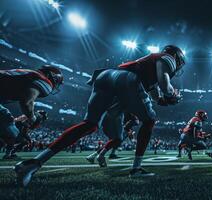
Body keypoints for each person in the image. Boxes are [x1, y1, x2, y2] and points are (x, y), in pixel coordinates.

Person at [15, 45, 185, 187]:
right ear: (176, 56)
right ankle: (136, 169)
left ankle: (34, 163)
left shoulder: (149, 65)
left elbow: (157, 97)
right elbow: (165, 85)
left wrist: (166, 100)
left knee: (90, 124)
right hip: (127, 79)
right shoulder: (166, 57)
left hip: (106, 76)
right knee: (149, 121)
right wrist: (173, 95)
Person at [0, 66, 62, 159]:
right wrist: (32, 117)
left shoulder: (30, 74)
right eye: (57, 81)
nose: (56, 84)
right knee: (10, 128)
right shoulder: (43, 79)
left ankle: (9, 152)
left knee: (8, 132)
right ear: (52, 76)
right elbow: (27, 102)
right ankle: (9, 154)